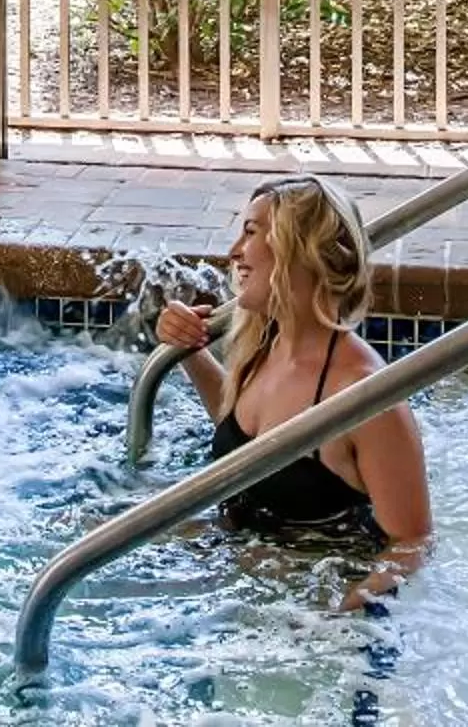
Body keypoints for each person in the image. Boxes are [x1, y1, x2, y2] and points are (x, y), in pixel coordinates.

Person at [155, 175, 432, 605]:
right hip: (238, 563)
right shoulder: (264, 342)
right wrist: (188, 351)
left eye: (250, 233)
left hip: (302, 599)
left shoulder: (363, 395)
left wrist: (347, 608)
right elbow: (248, 440)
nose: (233, 253)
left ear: (300, 250)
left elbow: (412, 541)